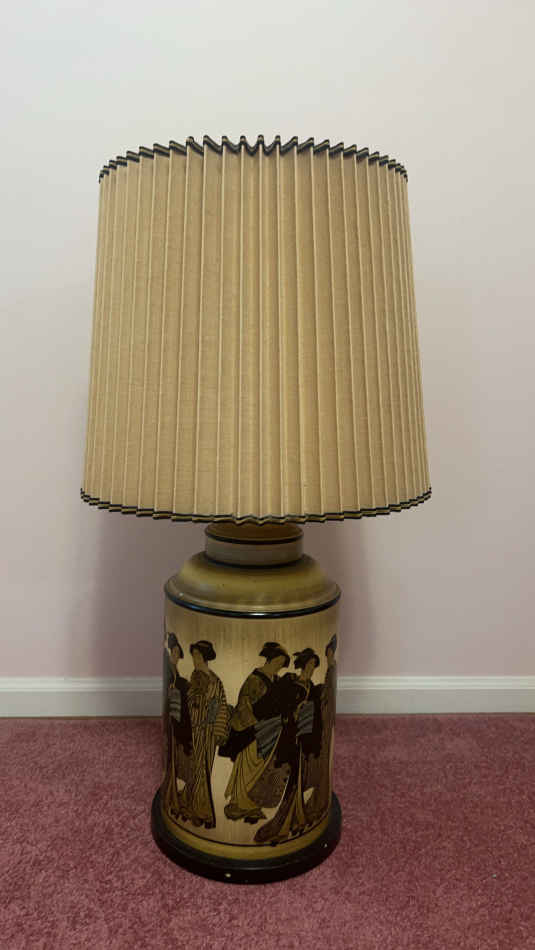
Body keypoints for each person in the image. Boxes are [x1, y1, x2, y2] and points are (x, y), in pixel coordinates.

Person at [254, 648, 323, 845]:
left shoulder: (312, 688)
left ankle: (293, 819)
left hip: (302, 740)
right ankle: (284, 822)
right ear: (302, 664)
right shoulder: (289, 681)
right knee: (285, 776)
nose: (311, 668)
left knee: (296, 779)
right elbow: (275, 702)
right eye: (309, 664)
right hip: (287, 736)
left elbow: (316, 718)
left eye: (314, 665)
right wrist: (293, 712)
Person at [221, 641, 291, 824]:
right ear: (270, 659)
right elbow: (244, 706)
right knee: (247, 767)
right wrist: (256, 725)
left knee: (262, 768)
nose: (279, 667)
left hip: (270, 731)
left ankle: (252, 804)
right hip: (250, 732)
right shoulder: (254, 679)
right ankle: (239, 803)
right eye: (277, 662)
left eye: (282, 664)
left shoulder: (276, 680)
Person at [181, 640, 230, 829]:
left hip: (208, 732)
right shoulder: (195, 676)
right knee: (197, 769)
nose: (194, 659)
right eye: (193, 655)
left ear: (204, 657)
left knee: (204, 770)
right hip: (196, 730)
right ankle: (201, 812)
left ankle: (196, 808)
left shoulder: (215, 680)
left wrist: (218, 730)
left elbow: (222, 706)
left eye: (197, 655)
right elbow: (191, 703)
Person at [304, 634, 337, 824]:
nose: (328, 656)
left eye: (329, 653)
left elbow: (327, 697)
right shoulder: (330, 670)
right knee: (321, 759)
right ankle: (319, 799)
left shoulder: (331, 669)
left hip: (324, 723)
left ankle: (320, 801)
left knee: (323, 759)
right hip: (323, 722)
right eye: (327, 654)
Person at [161, 630, 193, 823]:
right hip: (173, 716)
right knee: (172, 753)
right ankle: (171, 792)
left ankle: (175, 792)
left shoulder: (175, 671)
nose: (176, 657)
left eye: (178, 654)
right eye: (174, 653)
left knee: (178, 753)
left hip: (178, 716)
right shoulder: (170, 669)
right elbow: (171, 691)